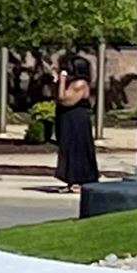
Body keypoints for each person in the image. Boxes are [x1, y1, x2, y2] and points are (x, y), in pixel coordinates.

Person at [51, 53, 98, 191]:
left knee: (77, 149)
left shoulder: (80, 84)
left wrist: (62, 80)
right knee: (68, 149)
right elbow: (56, 96)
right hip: (66, 118)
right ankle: (70, 180)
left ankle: (80, 179)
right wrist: (56, 81)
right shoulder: (70, 83)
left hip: (76, 119)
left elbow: (63, 99)